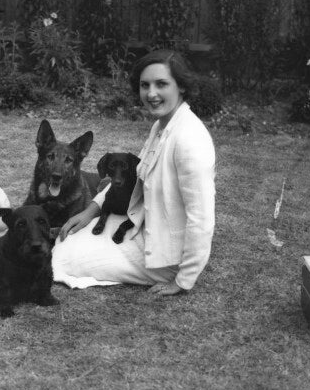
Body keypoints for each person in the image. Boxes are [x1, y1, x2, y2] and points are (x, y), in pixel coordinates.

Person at [52, 49, 215, 296]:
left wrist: (183, 280)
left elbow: (201, 219)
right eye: (144, 85)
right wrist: (90, 211)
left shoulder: (190, 140)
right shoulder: (162, 127)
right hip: (145, 226)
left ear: (181, 87)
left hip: (165, 258)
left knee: (62, 260)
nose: (151, 94)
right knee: (68, 241)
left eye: (161, 84)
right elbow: (133, 180)